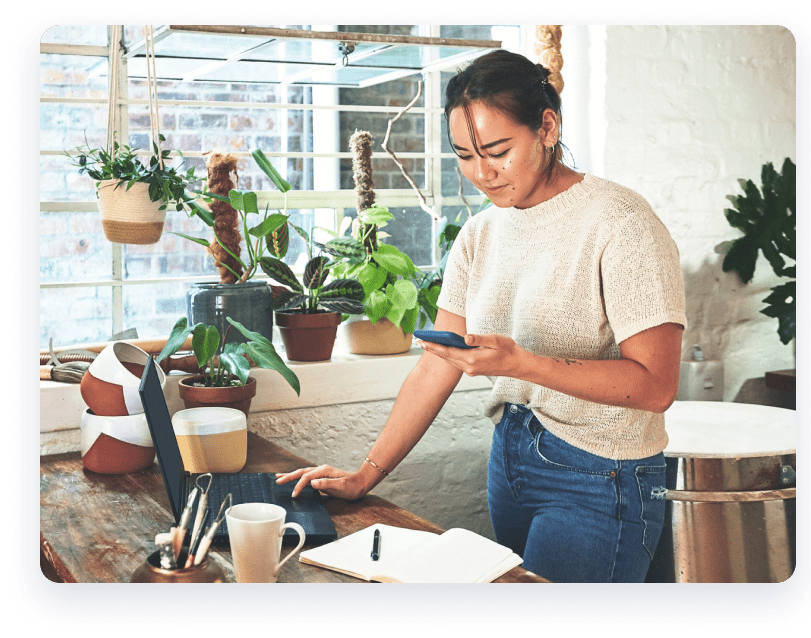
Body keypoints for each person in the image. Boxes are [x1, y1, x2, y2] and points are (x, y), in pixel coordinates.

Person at [277, 49, 687, 583]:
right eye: (465, 156)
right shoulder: (482, 232)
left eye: (497, 150)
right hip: (511, 461)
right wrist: (365, 474)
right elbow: (437, 362)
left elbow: (656, 385)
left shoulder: (621, 223)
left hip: (599, 474)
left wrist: (521, 363)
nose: (482, 174)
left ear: (546, 126)